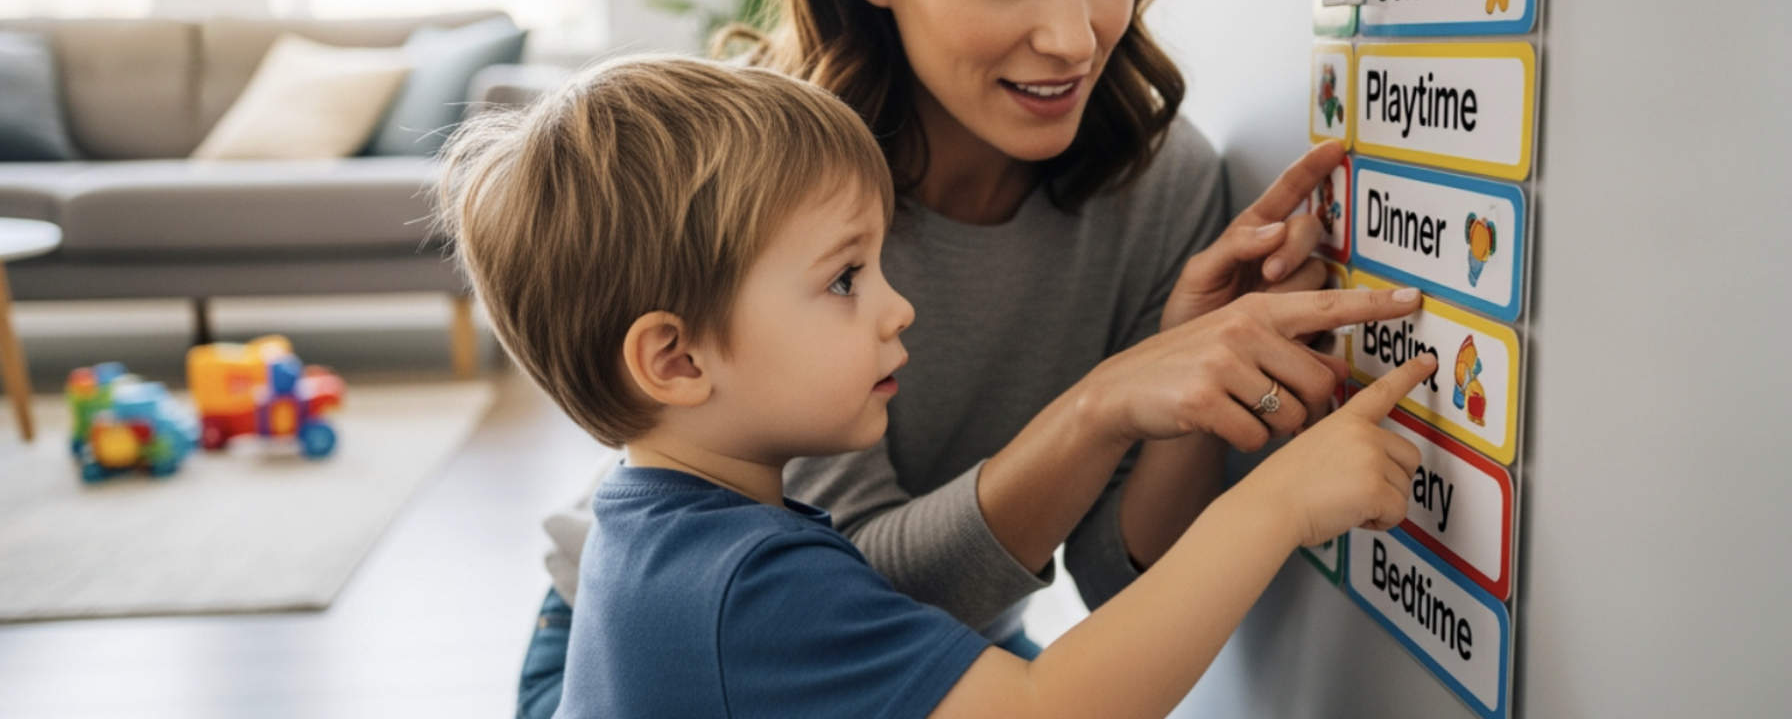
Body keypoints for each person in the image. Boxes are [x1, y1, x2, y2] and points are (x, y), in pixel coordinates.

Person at [516, 0, 1392, 716]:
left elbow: (1118, 578)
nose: (1073, 36)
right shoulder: (787, 197)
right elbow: (836, 590)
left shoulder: (1163, 186)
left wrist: (1194, 391)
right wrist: (1105, 402)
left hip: (939, 650)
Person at [440, 54, 1434, 719]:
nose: (896, 308)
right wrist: (1279, 500)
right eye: (844, 279)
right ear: (677, 360)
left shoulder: (663, 526)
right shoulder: (744, 584)